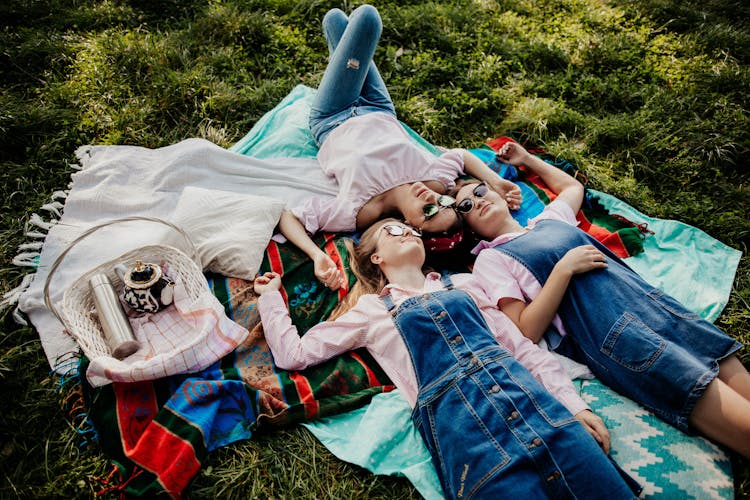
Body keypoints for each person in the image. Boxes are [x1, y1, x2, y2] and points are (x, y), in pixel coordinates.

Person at [255, 217, 642, 498]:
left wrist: (573, 405)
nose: (408, 230)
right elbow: (295, 354)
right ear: (375, 258)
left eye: (412, 229)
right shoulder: (371, 311)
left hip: (541, 413)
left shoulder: (468, 284)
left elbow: (522, 349)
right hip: (471, 442)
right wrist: (271, 297)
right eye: (393, 229)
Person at [454, 140, 750, 458]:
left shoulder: (547, 220)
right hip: (620, 337)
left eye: (479, 191)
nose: (476, 201)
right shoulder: (491, 258)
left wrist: (527, 159)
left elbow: (571, 187)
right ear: (468, 227)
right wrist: (563, 271)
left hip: (657, 307)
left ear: (500, 193)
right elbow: (525, 331)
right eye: (465, 206)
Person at [279, 4, 521, 291]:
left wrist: (317, 255)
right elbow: (462, 155)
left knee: (351, 20)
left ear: (410, 225)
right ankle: (345, 63)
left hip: (332, 117)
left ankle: (344, 65)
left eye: (428, 210)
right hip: (379, 107)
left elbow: (289, 217)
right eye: (443, 203)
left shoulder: (358, 212)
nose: (432, 197)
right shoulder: (437, 181)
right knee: (351, 21)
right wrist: (496, 180)